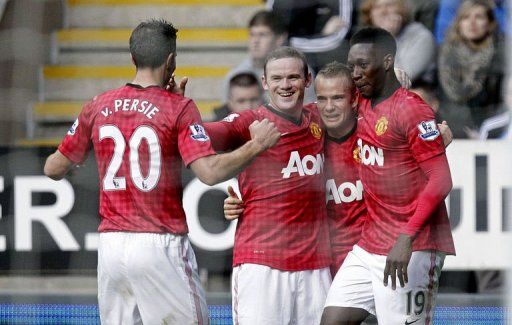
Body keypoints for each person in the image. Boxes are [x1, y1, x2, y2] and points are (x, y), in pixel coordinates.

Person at [43, 19, 281, 325]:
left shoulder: (97, 105)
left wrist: (85, 158)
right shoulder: (178, 108)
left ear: (133, 59)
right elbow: (208, 173)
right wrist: (256, 146)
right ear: (171, 61)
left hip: (112, 248)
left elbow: (53, 168)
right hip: (160, 245)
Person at [321, 27, 455, 325]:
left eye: (363, 65)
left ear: (386, 62)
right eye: (351, 65)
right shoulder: (363, 98)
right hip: (370, 243)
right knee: (332, 320)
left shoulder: (411, 110)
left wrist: (406, 239)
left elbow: (441, 180)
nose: (355, 73)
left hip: (413, 244)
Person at [205, 46, 331, 325]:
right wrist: (176, 110)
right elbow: (202, 134)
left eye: (292, 78)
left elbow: (362, 101)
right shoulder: (250, 122)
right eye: (276, 78)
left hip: (316, 268)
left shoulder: (321, 118)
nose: (284, 85)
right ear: (265, 82)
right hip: (262, 265)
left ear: (307, 80)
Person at [437, 0, 506, 139]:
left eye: (479, 17)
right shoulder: (444, 52)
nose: (472, 22)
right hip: (450, 124)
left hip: (491, 126)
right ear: (458, 23)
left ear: (490, 23)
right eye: (466, 17)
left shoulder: (502, 52)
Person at [222, 10, 317, 104]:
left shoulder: (299, 72)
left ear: (280, 38)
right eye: (252, 35)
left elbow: (309, 113)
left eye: (262, 35)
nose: (255, 41)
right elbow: (227, 115)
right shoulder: (235, 75)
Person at [359, 0, 437, 83]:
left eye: (389, 5)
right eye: (376, 7)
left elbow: (401, 79)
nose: (383, 11)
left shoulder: (421, 36)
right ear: (370, 15)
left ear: (401, 10)